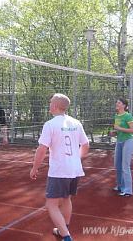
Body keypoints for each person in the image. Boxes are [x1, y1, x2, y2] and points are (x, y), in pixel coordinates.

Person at [30, 93, 90, 241]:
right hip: (74, 169)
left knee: (51, 204)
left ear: (55, 106)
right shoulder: (76, 122)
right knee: (66, 198)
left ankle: (66, 236)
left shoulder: (50, 124)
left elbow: (41, 149)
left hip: (59, 170)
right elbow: (86, 144)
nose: (49, 104)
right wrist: (77, 159)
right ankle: (64, 228)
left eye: (50, 102)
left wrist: (34, 167)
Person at [109, 98, 133, 197]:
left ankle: (128, 190)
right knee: (117, 165)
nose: (117, 104)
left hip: (128, 141)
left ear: (124, 105)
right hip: (119, 141)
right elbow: (118, 131)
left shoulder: (128, 116)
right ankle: (120, 186)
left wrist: (119, 128)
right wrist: (114, 133)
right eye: (117, 102)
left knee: (125, 166)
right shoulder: (117, 116)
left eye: (119, 103)